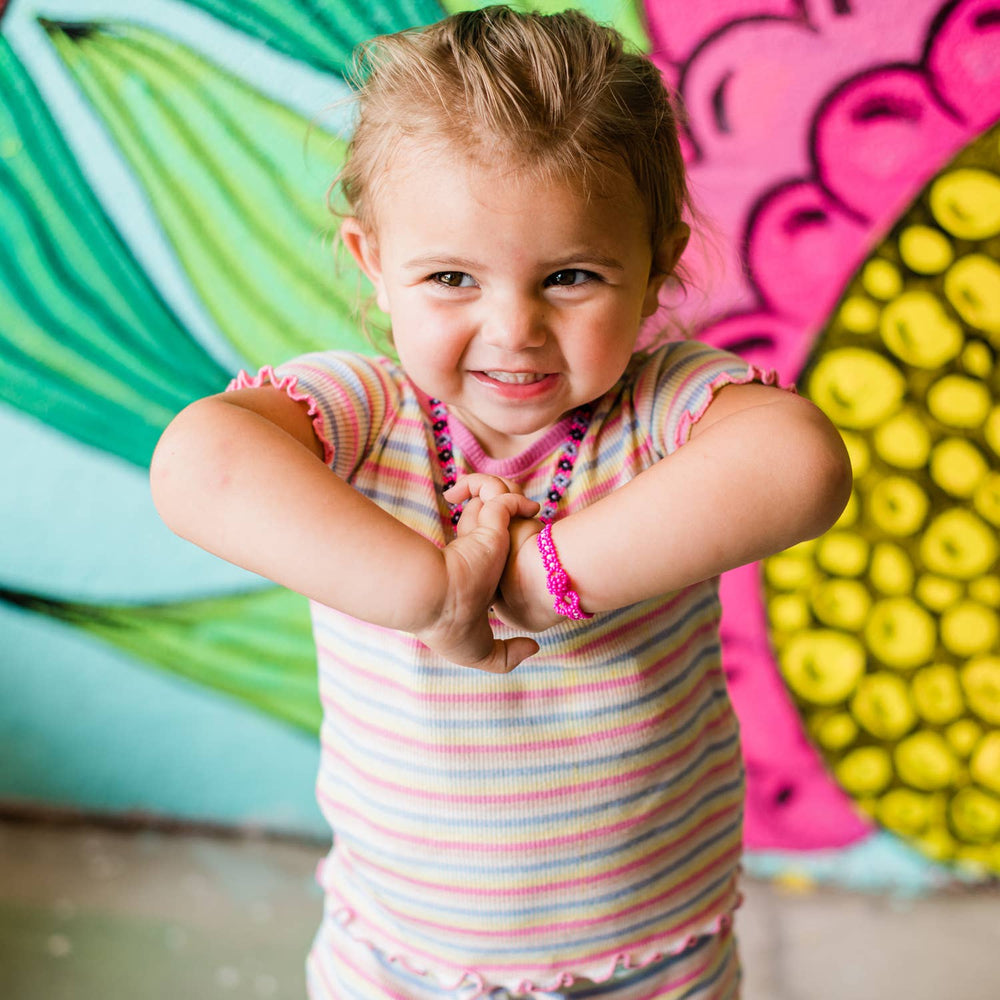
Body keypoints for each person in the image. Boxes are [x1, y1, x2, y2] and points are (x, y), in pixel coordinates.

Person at [150, 6, 851, 998]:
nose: (513, 328)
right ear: (371, 264)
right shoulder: (366, 409)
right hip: (396, 952)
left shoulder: (659, 412)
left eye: (569, 276)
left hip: (650, 952)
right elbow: (196, 463)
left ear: (653, 263)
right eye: (450, 278)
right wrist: (431, 591)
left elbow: (801, 465)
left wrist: (536, 581)